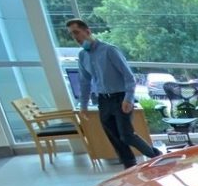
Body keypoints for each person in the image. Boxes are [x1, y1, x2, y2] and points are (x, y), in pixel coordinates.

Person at [66, 18, 162, 168]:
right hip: (103, 101)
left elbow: (129, 77)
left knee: (126, 135)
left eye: (77, 33)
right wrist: (83, 105)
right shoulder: (83, 56)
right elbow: (84, 82)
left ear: (87, 31)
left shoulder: (109, 50)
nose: (75, 37)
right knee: (115, 138)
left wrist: (128, 98)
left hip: (120, 98)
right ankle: (129, 166)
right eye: (72, 35)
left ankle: (156, 157)